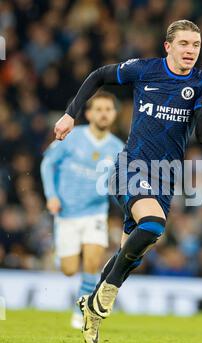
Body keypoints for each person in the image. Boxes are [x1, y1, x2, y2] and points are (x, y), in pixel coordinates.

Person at [54, 19, 202, 343]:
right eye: (184, 44)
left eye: (196, 45)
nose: (190, 51)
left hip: (164, 178)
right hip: (130, 167)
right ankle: (102, 297)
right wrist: (70, 113)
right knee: (152, 225)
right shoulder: (145, 70)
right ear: (168, 46)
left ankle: (91, 307)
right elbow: (99, 76)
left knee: (130, 253)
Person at [41, 91, 123, 329]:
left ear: (114, 114)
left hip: (95, 213)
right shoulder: (71, 136)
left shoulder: (119, 148)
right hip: (66, 213)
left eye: (108, 109)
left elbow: (119, 184)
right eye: (99, 109)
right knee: (68, 269)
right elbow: (47, 163)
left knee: (92, 260)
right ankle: (63, 256)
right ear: (88, 113)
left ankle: (82, 310)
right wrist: (51, 195)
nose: (104, 114)